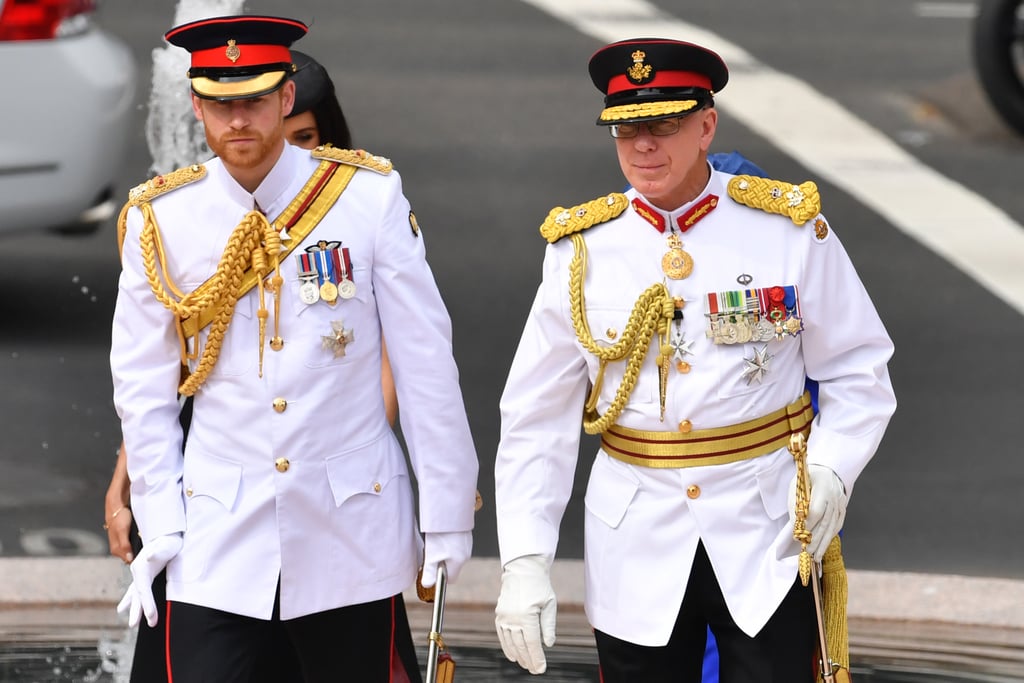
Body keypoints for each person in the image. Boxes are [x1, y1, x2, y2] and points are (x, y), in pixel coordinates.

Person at [492, 38, 896, 682]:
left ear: (707, 126)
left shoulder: (787, 229)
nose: (643, 146)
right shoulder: (580, 249)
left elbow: (858, 369)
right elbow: (535, 419)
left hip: (766, 529)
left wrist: (832, 470)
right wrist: (524, 560)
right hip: (636, 535)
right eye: (626, 130)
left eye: (663, 125)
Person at [110, 15, 478, 682]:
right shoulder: (161, 218)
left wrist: (447, 514)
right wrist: (160, 521)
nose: (237, 122)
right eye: (220, 105)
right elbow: (143, 385)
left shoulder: (366, 198)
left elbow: (426, 366)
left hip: (348, 530)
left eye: (253, 100)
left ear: (285, 98)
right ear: (196, 106)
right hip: (216, 536)